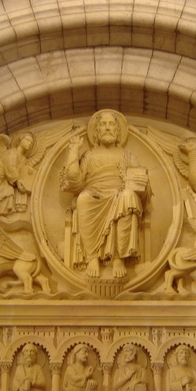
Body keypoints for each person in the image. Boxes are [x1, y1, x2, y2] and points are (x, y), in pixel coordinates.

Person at [61, 109, 150, 278]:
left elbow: (142, 189)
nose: (107, 127)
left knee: (128, 196)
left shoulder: (128, 156)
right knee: (83, 198)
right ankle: (92, 256)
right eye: (103, 124)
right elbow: (75, 183)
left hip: (120, 195)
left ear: (118, 130)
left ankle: (118, 257)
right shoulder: (89, 156)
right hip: (94, 194)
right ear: (96, 131)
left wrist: (142, 182)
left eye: (111, 124)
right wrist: (73, 151)